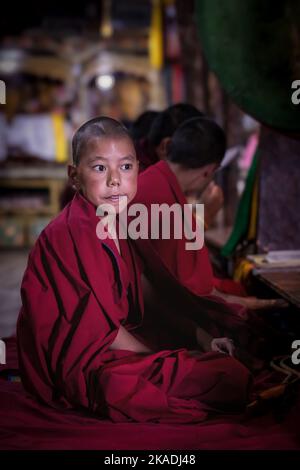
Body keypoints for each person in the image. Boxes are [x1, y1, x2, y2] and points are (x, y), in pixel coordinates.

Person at [17, 116, 251, 423]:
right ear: (74, 176)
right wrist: (163, 357)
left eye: (126, 167)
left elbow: (142, 288)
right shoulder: (72, 232)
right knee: (226, 376)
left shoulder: (117, 221)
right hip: (89, 364)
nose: (115, 179)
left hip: (120, 341)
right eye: (100, 168)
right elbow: (105, 331)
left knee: (225, 346)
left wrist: (200, 338)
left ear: (138, 170)